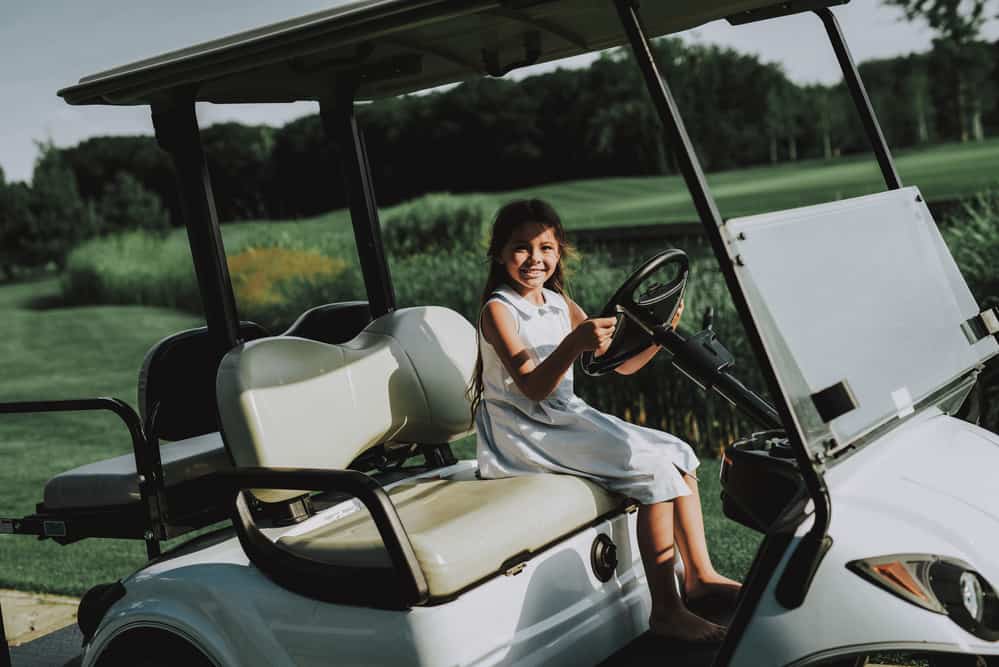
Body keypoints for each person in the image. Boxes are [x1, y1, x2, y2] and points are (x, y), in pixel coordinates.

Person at [468, 198, 740, 644]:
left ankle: (700, 576)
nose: (535, 259)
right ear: (499, 254)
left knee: (679, 453)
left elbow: (621, 366)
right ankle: (667, 611)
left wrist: (659, 334)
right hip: (525, 429)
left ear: (559, 252)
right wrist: (575, 343)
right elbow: (532, 388)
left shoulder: (559, 302)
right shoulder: (499, 309)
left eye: (546, 248)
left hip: (565, 415)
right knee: (654, 473)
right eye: (521, 248)